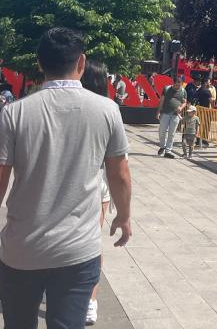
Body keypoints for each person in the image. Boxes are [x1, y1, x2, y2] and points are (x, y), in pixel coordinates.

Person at [0, 28, 133, 329]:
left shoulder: (15, 113)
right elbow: (120, 173)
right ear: (82, 62)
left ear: (39, 63)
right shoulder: (107, 110)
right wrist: (124, 217)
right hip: (78, 250)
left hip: (22, 248)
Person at [80, 59, 114, 326]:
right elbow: (117, 165)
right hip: (97, 185)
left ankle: (88, 298)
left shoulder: (104, 110)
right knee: (92, 244)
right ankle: (89, 299)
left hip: (88, 185)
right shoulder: (108, 110)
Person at [157, 75, 187, 158]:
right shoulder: (166, 89)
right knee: (162, 131)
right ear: (173, 83)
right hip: (165, 113)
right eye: (177, 85)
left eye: (179, 85)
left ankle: (168, 151)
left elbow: (184, 102)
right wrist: (158, 112)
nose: (178, 87)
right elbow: (161, 101)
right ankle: (162, 146)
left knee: (172, 133)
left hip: (175, 115)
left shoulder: (183, 91)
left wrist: (181, 107)